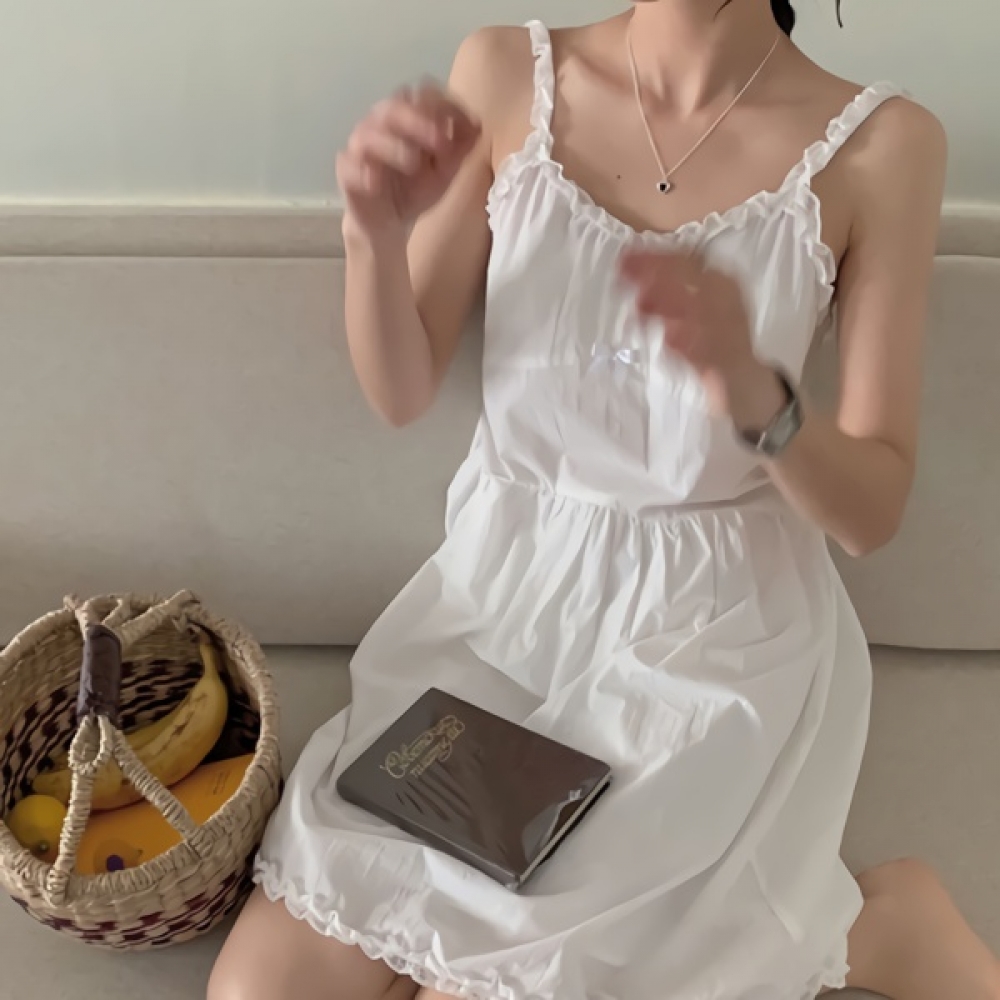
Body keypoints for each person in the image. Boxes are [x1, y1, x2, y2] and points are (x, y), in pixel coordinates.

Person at [209, 1, 999, 998]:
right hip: (502, 605)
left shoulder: (885, 145)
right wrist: (372, 232)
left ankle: (877, 926)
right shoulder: (505, 70)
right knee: (260, 989)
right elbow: (402, 387)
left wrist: (759, 397)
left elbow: (873, 510)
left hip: (707, 639)